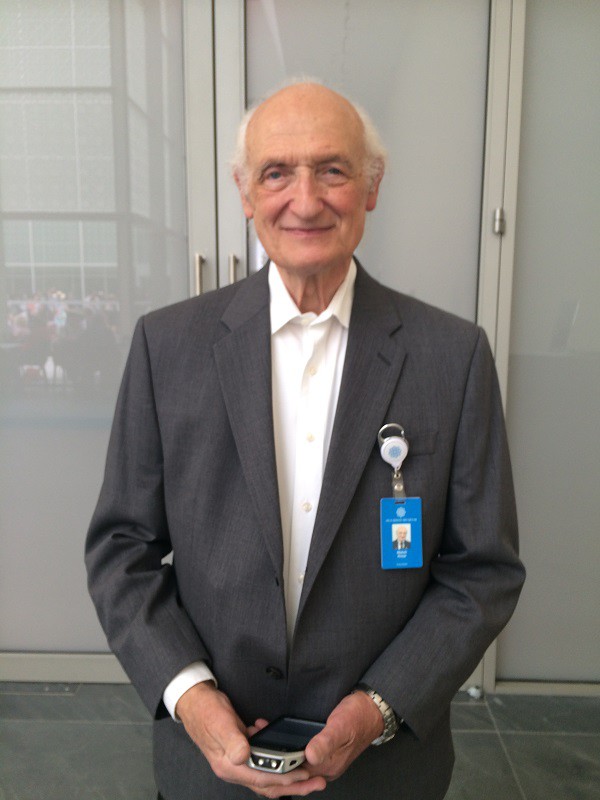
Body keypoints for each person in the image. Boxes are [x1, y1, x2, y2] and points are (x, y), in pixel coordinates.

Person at [85, 81, 525, 800]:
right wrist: (192, 699)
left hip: (384, 768)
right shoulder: (167, 347)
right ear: (244, 192)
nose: (306, 198)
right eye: (276, 172)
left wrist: (376, 709)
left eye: (333, 169)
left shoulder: (455, 357)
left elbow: (483, 571)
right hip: (209, 765)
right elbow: (120, 550)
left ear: (372, 186)